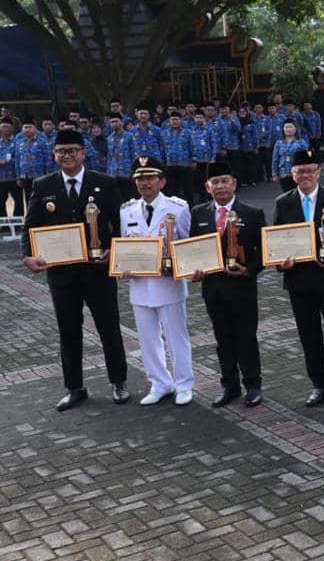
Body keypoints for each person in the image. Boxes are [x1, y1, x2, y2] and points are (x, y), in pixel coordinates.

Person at [21, 129, 129, 411]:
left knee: (109, 327)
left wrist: (114, 250)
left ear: (83, 153)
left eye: (72, 150)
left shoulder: (103, 182)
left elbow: (119, 223)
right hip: (61, 272)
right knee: (68, 330)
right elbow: (30, 225)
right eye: (61, 151)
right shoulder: (43, 184)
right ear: (54, 155)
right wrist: (27, 255)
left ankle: (118, 381)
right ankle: (74, 387)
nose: (66, 156)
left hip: (97, 269)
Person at [273, 148, 324, 407]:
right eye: (300, 171)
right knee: (308, 334)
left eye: (310, 170)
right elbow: (276, 241)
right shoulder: (283, 202)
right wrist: (280, 263)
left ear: (319, 172)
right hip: (298, 280)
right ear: (292, 174)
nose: (305, 175)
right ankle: (319, 382)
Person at [116, 156, 194, 406]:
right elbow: (125, 245)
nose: (144, 183)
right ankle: (160, 383)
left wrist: (179, 266)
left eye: (150, 177)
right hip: (140, 285)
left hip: (168, 284)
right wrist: (122, 265)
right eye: (140, 178)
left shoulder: (178, 208)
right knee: (148, 339)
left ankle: (184, 384)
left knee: (176, 337)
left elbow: (186, 245)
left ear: (162, 181)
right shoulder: (126, 210)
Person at [189, 161, 265, 408]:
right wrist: (193, 270)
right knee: (222, 340)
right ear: (207, 186)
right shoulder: (198, 213)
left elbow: (264, 252)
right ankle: (229, 385)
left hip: (242, 287)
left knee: (246, 337)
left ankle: (253, 385)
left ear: (234, 184)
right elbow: (192, 248)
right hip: (213, 289)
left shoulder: (252, 213)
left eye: (225, 181)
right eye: (215, 182)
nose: (220, 186)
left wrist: (249, 270)